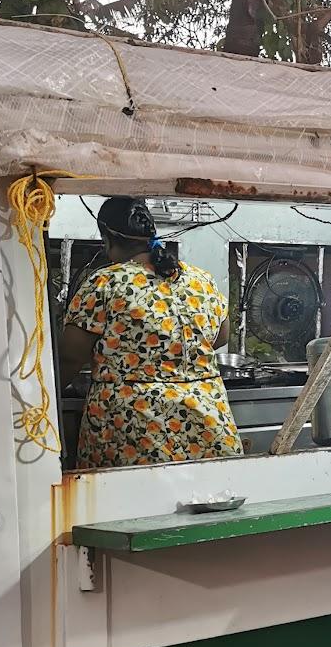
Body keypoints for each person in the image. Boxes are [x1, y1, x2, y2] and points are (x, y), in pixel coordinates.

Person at [59, 197, 242, 470]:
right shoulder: (200, 279)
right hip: (208, 425)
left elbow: (70, 357)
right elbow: (222, 336)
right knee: (210, 505)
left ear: (107, 238)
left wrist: (40, 401)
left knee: (138, 508)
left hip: (136, 430)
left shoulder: (105, 282)